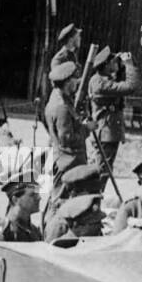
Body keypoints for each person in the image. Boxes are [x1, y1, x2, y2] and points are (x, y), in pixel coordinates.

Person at [87, 47, 141, 174]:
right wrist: (128, 64)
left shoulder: (100, 79)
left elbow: (120, 81)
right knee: (102, 171)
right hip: (106, 132)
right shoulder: (101, 84)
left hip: (106, 131)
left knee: (101, 168)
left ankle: (95, 192)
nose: (117, 63)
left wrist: (124, 65)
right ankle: (95, 192)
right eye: (114, 61)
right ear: (106, 65)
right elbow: (130, 86)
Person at [44, 60, 90, 198]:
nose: (77, 82)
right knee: (60, 202)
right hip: (68, 162)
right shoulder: (62, 106)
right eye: (75, 79)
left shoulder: (59, 98)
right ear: (68, 81)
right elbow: (67, 139)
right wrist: (87, 128)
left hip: (65, 160)